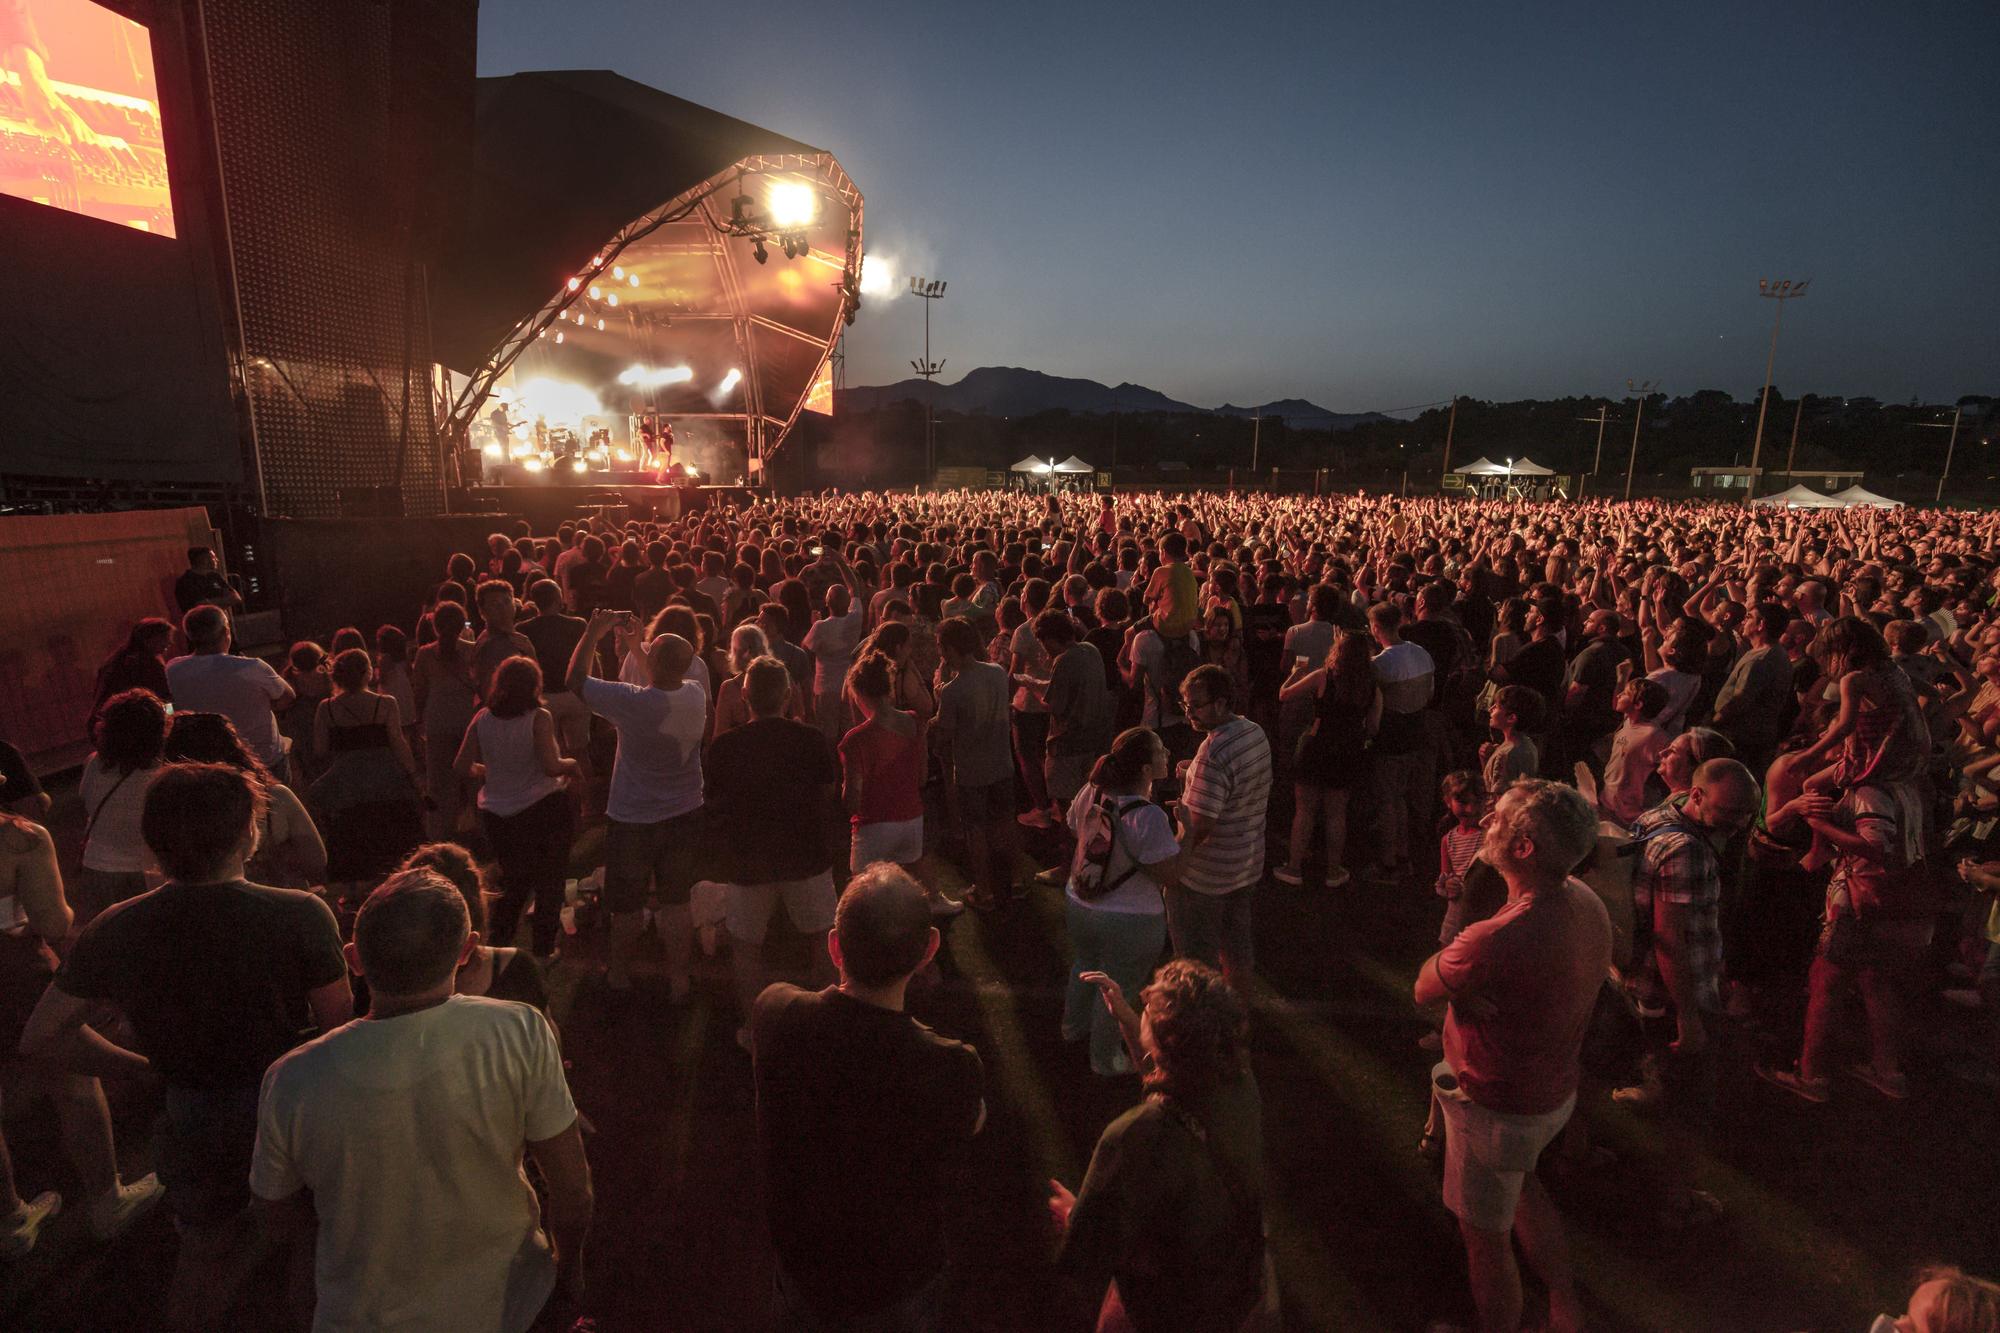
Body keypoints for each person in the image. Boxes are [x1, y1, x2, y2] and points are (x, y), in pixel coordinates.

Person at [21, 763, 351, 1330]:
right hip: (292, 1109)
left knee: (204, 1255)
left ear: (154, 842)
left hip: (192, 1112)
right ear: (249, 833)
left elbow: (42, 1036)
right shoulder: (299, 914)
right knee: (313, 1245)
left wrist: (144, 1068)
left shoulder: (118, 927)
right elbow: (339, 1035)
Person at [250, 869, 592, 1332]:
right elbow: (572, 1187)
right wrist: (567, 1266)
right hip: (510, 1304)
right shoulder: (518, 1030)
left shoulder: (292, 1077)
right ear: (466, 950)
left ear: (354, 959)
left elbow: (275, 1209)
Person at [749, 864, 985, 1331]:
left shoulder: (775, 1010)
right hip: (896, 1281)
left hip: (803, 1263)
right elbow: (971, 1122)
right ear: (929, 951)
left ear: (834, 945)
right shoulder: (950, 1064)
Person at [1412, 779, 1608, 1333]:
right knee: (1522, 1185)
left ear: (1524, 849)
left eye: (1500, 820)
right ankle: (1564, 1301)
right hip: (1552, 1095)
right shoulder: (1585, 901)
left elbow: (1424, 985)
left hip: (1498, 1107)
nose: (1488, 821)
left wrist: (1461, 978)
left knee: (1485, 1241)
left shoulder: (1494, 936)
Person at [1051, 959, 1271, 1332]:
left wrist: (1072, 1213)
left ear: (1166, 1042)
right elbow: (1168, 1072)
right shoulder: (1238, 1082)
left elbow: (1086, 1252)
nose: (1142, 1007)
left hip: (1163, 1310)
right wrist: (1125, 1016)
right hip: (1236, 1288)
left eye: (1148, 1013)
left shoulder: (1136, 1135)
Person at [0, 808, 164, 1258]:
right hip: (13, 978)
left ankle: (10, 1221)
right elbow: (54, 923)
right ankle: (107, 1201)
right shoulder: (19, 840)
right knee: (73, 1080)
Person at [567, 610, 707, 996]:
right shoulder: (695, 695)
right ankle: (679, 978)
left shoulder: (631, 702)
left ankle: (619, 974)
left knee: (627, 906)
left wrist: (593, 632)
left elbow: (575, 681)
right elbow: (663, 676)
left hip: (633, 818)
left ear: (653, 664)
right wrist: (634, 645)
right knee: (677, 901)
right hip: (683, 812)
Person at [707, 656, 842, 1048]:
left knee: (747, 947)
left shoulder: (726, 747)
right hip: (805, 856)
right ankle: (827, 1023)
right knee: (823, 940)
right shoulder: (810, 739)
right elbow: (827, 794)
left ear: (745, 695)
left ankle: (754, 1029)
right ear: (788, 694)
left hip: (749, 860)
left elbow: (715, 804)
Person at [1061, 729, 1180, 1077]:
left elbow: (1074, 827)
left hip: (1080, 901)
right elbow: (1170, 874)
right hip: (1131, 919)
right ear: (1145, 769)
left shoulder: (1091, 792)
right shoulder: (1148, 816)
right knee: (1118, 988)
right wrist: (1187, 832)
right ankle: (1105, 1059)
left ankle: (1072, 1028)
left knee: (1083, 964)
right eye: (1160, 750)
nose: (1167, 753)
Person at [456, 657, 579, 958]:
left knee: (513, 880)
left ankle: (500, 943)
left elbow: (460, 766)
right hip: (542, 808)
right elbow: (551, 766)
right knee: (550, 879)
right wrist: (572, 764)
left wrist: (488, 770)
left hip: (498, 814)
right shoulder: (539, 717)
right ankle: (543, 948)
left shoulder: (482, 718)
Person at [1170, 665, 1272, 990]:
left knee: (1195, 966)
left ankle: (1205, 1030)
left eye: (1195, 705)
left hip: (1204, 878)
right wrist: (1194, 776)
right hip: (1245, 865)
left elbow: (1200, 827)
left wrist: (1172, 863)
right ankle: (1238, 1024)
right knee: (1238, 953)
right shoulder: (1253, 731)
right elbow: (1238, 787)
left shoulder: (1213, 753)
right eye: (1184, 705)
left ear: (1221, 702)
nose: (1189, 713)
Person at [309, 647, 424, 906]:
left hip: (347, 779)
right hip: (384, 776)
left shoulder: (326, 709)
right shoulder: (384, 704)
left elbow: (320, 749)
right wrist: (413, 773)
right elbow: (398, 742)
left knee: (351, 830)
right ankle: (396, 886)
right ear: (368, 674)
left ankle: (352, 893)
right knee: (390, 829)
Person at [1275, 630, 1380, 888]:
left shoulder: (1323, 676)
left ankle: (1294, 867)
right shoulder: (1372, 687)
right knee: (1336, 813)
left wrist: (1295, 672)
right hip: (1347, 749)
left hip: (1316, 745)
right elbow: (1374, 728)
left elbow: (1284, 694)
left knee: (1305, 811)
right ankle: (1333, 870)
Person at [933, 616, 1021, 911]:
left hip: (971, 770)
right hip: (1001, 762)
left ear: (950, 649)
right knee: (1005, 822)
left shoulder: (953, 691)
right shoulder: (996, 672)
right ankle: (1016, 879)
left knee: (976, 830)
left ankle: (984, 891)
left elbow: (945, 733)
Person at [166, 605, 295, 780]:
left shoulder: (174, 669)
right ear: (226, 631)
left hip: (211, 763)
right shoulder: (252, 667)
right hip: (262, 759)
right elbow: (287, 697)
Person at [75, 688, 168, 924]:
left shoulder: (95, 763)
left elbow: (86, 802)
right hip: (149, 870)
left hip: (99, 867)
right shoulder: (164, 770)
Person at [1365, 601, 1435, 881]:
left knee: (1387, 799)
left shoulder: (1381, 664)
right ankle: (1403, 853)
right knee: (1401, 796)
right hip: (1416, 731)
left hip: (1391, 736)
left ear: (1376, 627)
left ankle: (1387, 862)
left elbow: (1372, 702)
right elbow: (1429, 693)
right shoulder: (1421, 654)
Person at [1033, 609, 1115, 812]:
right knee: (1089, 801)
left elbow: (1053, 706)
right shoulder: (1090, 649)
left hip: (1067, 744)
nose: (1044, 649)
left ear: (1050, 639)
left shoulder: (1064, 660)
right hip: (1094, 739)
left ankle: (1070, 842)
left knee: (1068, 807)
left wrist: (1030, 686)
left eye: (1044, 643)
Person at [90, 617, 174, 730]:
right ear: (148, 639)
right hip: (126, 726)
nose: (170, 641)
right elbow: (164, 696)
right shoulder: (146, 663)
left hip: (106, 726)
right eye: (165, 637)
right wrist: (172, 719)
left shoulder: (117, 660)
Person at [173, 546, 242, 614]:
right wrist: (225, 601)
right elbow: (200, 605)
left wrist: (211, 602)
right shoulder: (186, 581)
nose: (217, 560)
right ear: (204, 560)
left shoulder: (215, 576)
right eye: (213, 557)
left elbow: (236, 598)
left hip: (220, 621)